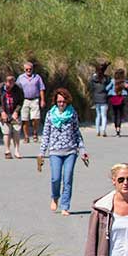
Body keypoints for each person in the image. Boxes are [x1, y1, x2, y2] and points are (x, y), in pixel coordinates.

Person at [38, 88, 89, 216]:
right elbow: (46, 134)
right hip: (55, 151)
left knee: (67, 178)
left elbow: (77, 133)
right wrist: (42, 152)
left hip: (70, 151)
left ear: (67, 101)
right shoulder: (50, 114)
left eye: (63, 101)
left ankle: (65, 206)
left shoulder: (72, 114)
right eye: (59, 101)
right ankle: (55, 197)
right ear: (55, 102)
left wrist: (82, 150)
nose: (61, 104)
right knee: (56, 178)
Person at [0, 73, 24, 159]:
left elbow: (21, 101)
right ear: (5, 82)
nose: (11, 83)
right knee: (6, 132)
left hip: (14, 112)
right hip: (3, 113)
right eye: (9, 81)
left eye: (12, 81)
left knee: (16, 131)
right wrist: (2, 112)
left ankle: (17, 150)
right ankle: (7, 151)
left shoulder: (18, 88)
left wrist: (16, 111)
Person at [16, 61, 46, 143]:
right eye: (27, 69)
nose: (28, 70)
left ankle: (35, 133)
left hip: (35, 99)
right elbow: (16, 89)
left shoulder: (37, 77)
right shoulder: (20, 78)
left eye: (30, 69)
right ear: (24, 69)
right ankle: (26, 136)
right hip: (24, 100)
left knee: (35, 118)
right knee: (25, 119)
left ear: (32, 69)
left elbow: (41, 89)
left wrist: (42, 100)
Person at [106, 68, 128, 137]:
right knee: (119, 115)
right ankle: (118, 130)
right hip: (121, 98)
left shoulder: (113, 81)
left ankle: (116, 129)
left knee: (115, 114)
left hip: (113, 98)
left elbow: (106, 88)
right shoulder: (124, 82)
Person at [90, 62, 110, 137]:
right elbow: (109, 86)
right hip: (104, 98)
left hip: (96, 98)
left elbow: (91, 86)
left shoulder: (94, 78)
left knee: (98, 115)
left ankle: (97, 131)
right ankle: (103, 130)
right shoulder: (106, 78)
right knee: (104, 116)